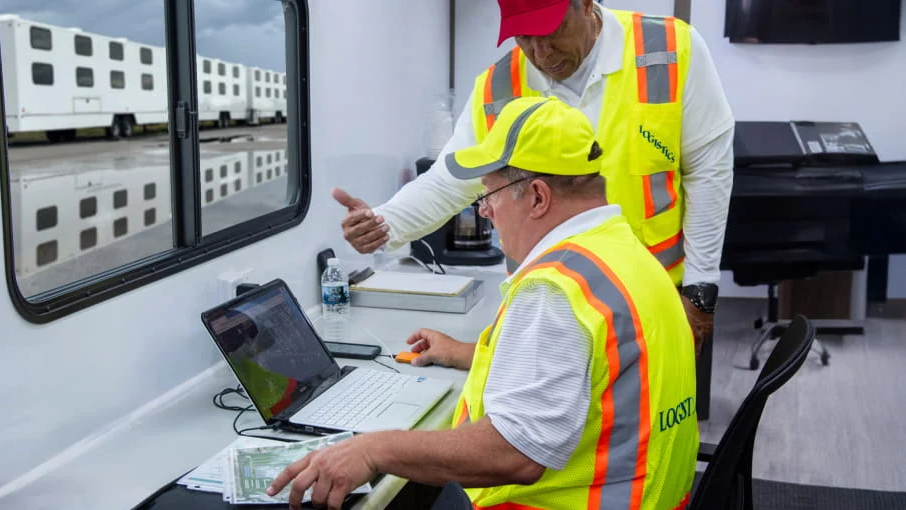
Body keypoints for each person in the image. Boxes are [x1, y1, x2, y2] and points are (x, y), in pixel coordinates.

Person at [269, 96, 699, 510]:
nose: (486, 212)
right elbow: (590, 367)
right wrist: (465, 354)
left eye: (488, 195)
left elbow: (517, 451)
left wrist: (373, 449)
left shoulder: (555, 289)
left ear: (537, 197)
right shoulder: (625, 252)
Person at [333, 0, 733, 352]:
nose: (541, 52)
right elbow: (450, 179)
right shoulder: (498, 88)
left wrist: (700, 293)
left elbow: (709, 172)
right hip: (548, 309)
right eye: (523, 37)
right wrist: (385, 222)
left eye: (551, 30)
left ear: (586, 5)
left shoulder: (669, 50)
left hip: (651, 301)